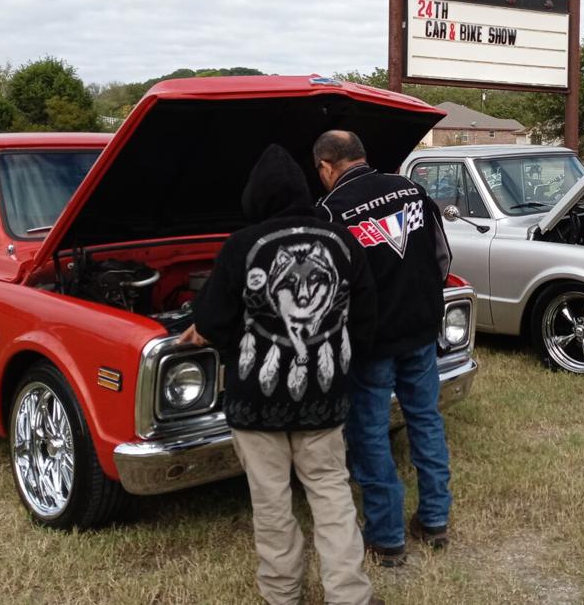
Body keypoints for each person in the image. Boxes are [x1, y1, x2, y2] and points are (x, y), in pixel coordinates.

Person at [180, 145, 382, 605]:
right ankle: (349, 595)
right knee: (332, 497)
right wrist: (342, 365)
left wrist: (230, 343)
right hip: (325, 399)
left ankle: (281, 595)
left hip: (255, 404)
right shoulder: (344, 240)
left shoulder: (240, 246)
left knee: (271, 505)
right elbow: (367, 317)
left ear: (255, 197)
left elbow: (211, 321)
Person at [314, 129, 453, 567]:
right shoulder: (412, 191)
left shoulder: (330, 211)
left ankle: (387, 539)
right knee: (426, 420)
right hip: (421, 331)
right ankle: (435, 521)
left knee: (370, 434)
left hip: (371, 343)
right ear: (362, 155)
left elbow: (329, 288)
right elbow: (443, 258)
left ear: (325, 167)